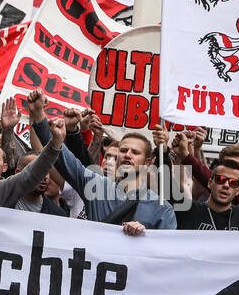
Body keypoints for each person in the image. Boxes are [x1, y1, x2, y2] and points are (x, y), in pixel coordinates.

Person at [27, 92, 175, 233]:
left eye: (135, 152)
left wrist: (145, 236)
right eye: (123, 150)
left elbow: (167, 253)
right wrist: (39, 115)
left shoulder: (162, 208)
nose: (127, 155)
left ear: (148, 162)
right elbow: (63, 158)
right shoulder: (96, 187)